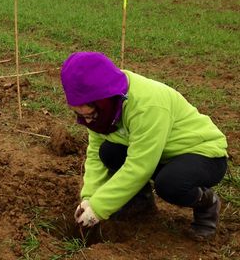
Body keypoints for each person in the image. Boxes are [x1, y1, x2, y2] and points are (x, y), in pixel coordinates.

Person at [61, 52, 228, 240]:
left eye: (90, 114)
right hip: (160, 154)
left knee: (170, 184)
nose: (86, 120)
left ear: (103, 101)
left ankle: (207, 204)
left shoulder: (147, 106)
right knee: (108, 152)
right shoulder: (102, 109)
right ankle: (140, 203)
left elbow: (140, 166)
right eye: (80, 114)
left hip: (203, 154)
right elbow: (94, 155)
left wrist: (99, 207)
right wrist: (89, 198)